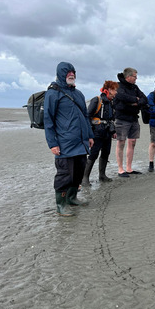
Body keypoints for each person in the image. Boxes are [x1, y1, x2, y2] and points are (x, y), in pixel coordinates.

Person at [44, 62, 94, 217]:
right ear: (60, 74)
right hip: (64, 143)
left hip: (81, 142)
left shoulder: (78, 93)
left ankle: (72, 198)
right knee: (65, 175)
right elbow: (48, 120)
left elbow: (85, 116)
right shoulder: (53, 94)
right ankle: (61, 205)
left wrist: (90, 135)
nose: (71, 75)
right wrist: (52, 143)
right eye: (67, 73)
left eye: (73, 72)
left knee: (79, 172)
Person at [113, 67, 148, 177]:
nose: (136, 79)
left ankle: (129, 168)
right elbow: (121, 97)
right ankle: (120, 169)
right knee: (121, 142)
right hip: (122, 118)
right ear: (128, 77)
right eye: (135, 77)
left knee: (132, 141)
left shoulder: (135, 87)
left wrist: (135, 102)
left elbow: (144, 98)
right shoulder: (118, 86)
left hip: (133, 118)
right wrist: (135, 100)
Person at [82, 80, 118, 186]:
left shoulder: (111, 102)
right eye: (115, 90)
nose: (116, 92)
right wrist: (89, 133)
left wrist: (113, 131)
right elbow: (87, 116)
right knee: (93, 154)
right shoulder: (97, 100)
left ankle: (102, 175)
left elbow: (112, 118)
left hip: (107, 132)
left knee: (106, 153)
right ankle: (85, 178)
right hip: (97, 132)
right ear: (109, 90)